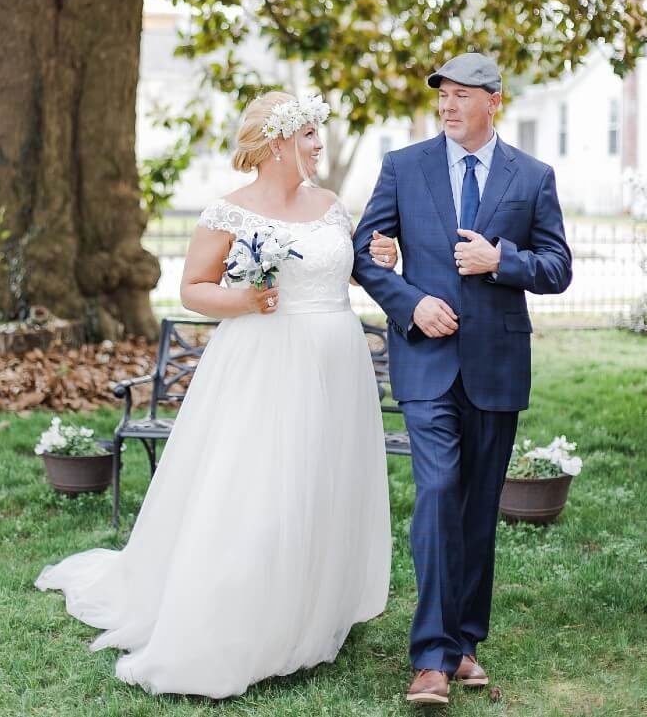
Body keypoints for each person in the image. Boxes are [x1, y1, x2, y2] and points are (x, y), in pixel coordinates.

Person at [35, 91, 397, 699]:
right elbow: (194, 290)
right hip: (266, 367)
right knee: (263, 488)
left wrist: (382, 253)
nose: (317, 145)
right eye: (308, 134)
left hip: (338, 364)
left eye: (317, 134)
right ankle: (247, 615)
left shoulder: (332, 206)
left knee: (324, 481)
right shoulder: (228, 214)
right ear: (278, 142)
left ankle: (312, 607)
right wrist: (246, 300)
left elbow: (353, 266)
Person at [352, 53, 573, 706]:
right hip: (424, 360)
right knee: (439, 491)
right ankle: (428, 658)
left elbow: (557, 266)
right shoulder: (404, 166)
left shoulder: (532, 176)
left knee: (478, 506)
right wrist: (409, 302)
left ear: (492, 101)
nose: (447, 106)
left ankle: (465, 642)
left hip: (497, 366)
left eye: (460, 95)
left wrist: (500, 260)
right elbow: (364, 252)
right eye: (441, 96)